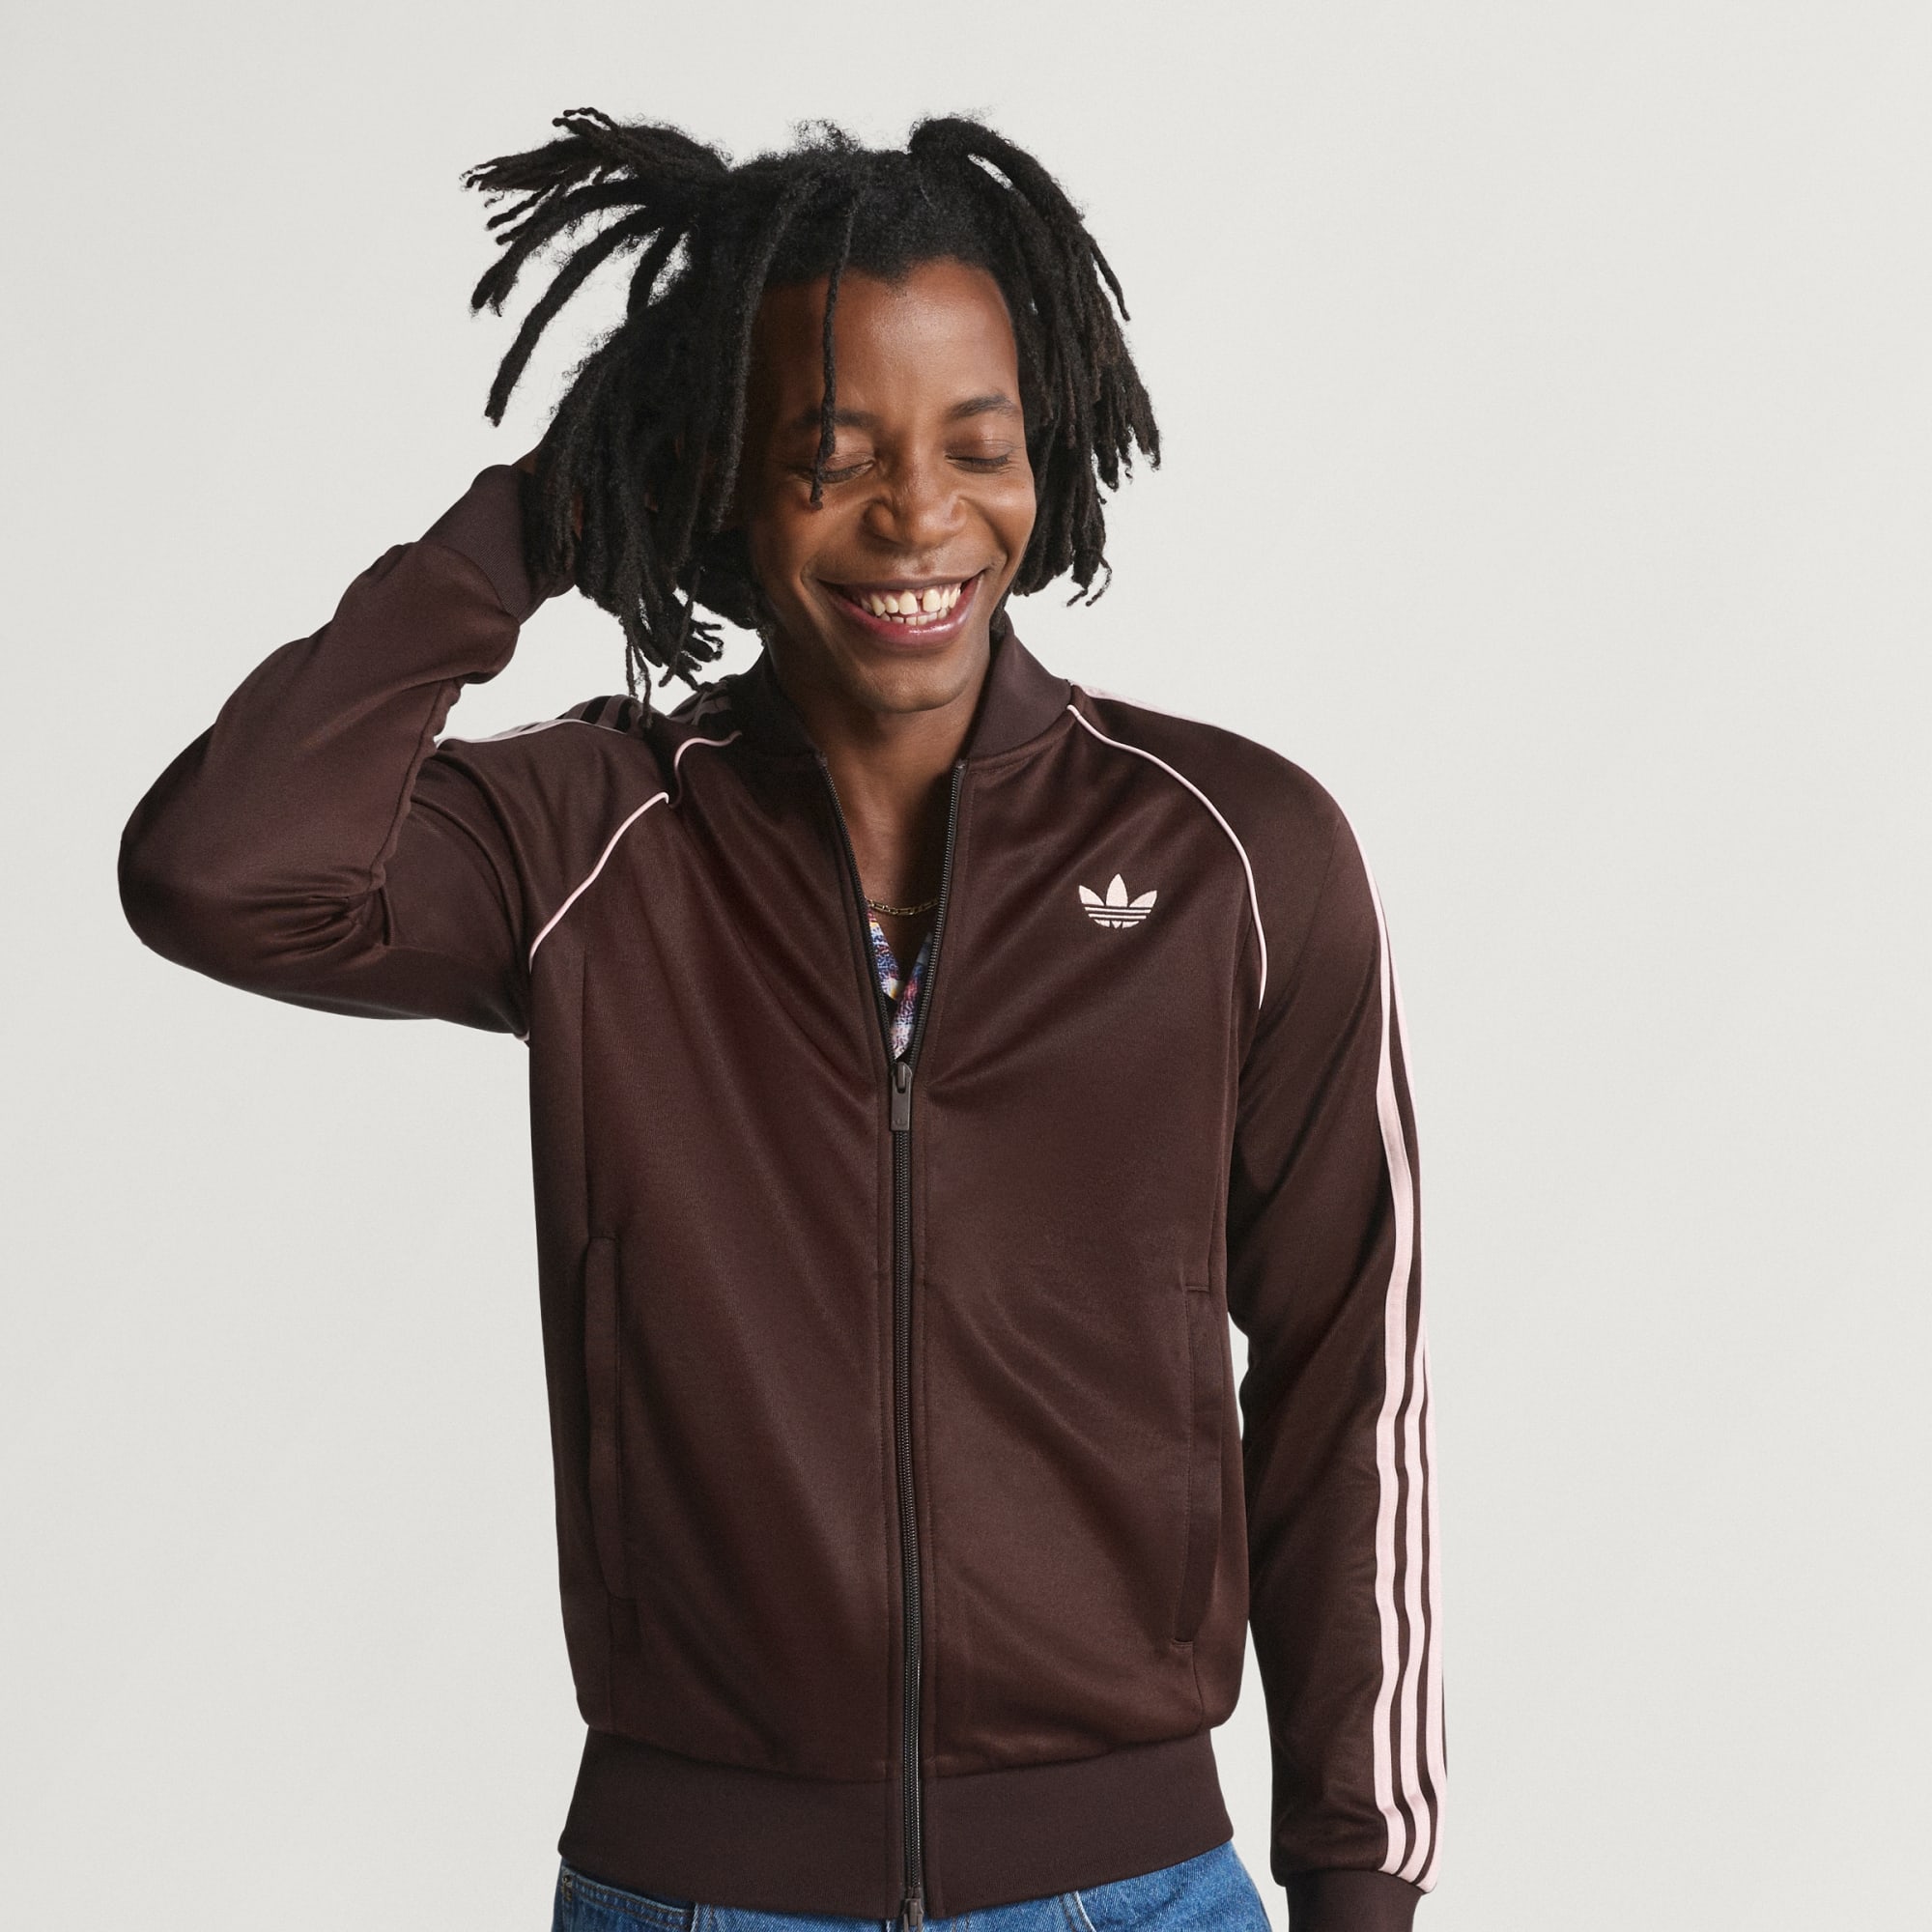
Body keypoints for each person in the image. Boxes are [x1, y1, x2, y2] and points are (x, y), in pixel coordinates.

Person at [118, 110, 1442, 1932]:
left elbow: (1347, 1374)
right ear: (722, 478)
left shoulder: (1234, 855)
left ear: (1046, 455)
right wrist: (531, 524)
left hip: (1127, 1888)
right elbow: (219, 870)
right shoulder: (597, 839)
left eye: (977, 447)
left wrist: (1359, 1882)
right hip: (694, 1894)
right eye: (833, 458)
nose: (920, 517)